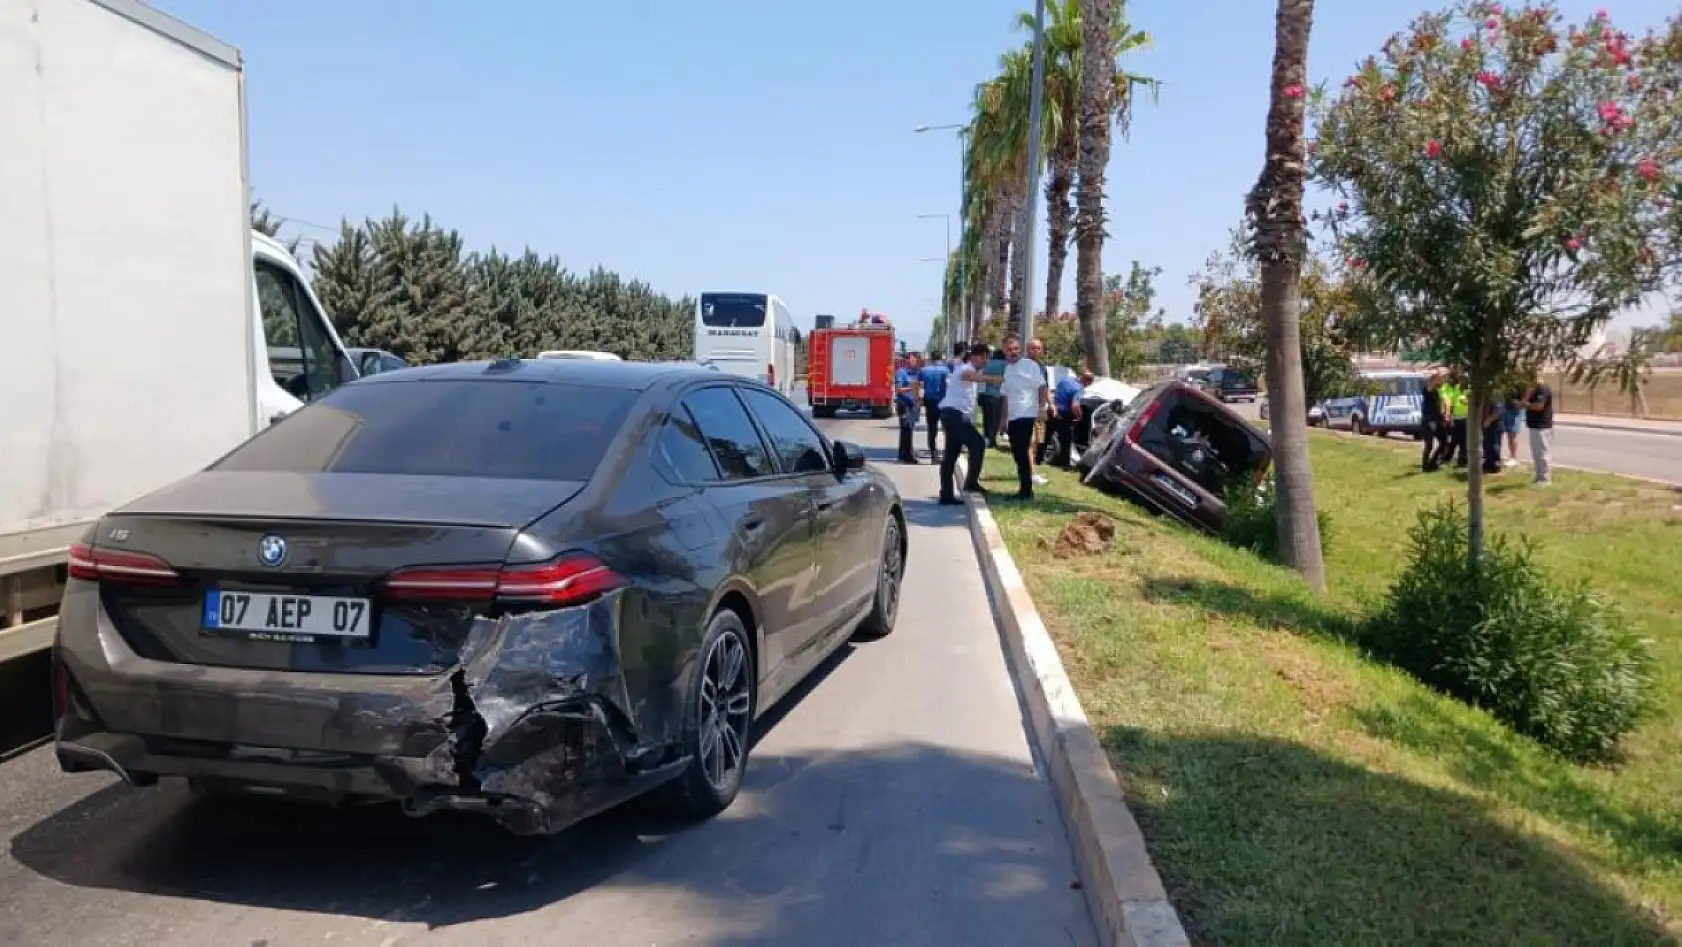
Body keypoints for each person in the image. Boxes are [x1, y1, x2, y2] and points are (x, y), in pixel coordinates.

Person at [938, 343, 1004, 505]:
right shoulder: (965, 369)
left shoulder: (970, 369)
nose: (987, 361)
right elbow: (970, 376)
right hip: (955, 415)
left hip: (952, 415)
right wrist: (993, 379)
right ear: (979, 356)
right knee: (978, 443)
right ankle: (971, 483)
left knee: (951, 455)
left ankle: (946, 494)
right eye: (986, 357)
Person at [999, 335, 1051, 500]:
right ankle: (1024, 488)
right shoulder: (1007, 369)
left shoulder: (1030, 365)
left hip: (1027, 414)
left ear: (1020, 350)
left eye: (1016, 349)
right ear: (1005, 351)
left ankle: (1026, 491)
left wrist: (1042, 407)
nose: (1013, 352)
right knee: (1016, 452)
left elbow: (1042, 386)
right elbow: (1005, 396)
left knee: (1021, 451)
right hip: (1013, 416)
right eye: (1010, 349)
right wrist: (1003, 419)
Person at [1047, 369, 1090, 469]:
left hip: (1053, 410)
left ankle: (1037, 457)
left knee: (1046, 435)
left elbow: (1056, 390)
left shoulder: (1065, 379)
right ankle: (1065, 464)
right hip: (1064, 415)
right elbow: (1075, 405)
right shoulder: (1079, 388)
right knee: (1066, 441)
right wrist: (1079, 416)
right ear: (1087, 381)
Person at [1026, 338, 1052, 486]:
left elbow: (1045, 387)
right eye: (1032, 348)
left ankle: (1032, 469)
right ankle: (1031, 474)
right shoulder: (1024, 366)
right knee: (1030, 441)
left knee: (1037, 442)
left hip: (1039, 408)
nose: (1035, 351)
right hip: (1027, 407)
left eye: (1038, 348)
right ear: (1027, 349)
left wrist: (1050, 404)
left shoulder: (1042, 367)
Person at [1522, 375, 1554, 485]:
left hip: (1542, 426)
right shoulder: (1533, 390)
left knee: (1542, 453)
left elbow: (1539, 406)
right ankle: (1539, 476)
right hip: (1533, 425)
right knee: (1536, 454)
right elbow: (1524, 402)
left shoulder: (1543, 389)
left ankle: (1545, 479)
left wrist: (1527, 405)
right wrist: (1527, 392)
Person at [918, 351, 951, 459]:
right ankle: (947, 451)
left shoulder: (923, 370)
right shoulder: (945, 370)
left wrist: (920, 400)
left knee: (932, 428)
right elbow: (947, 385)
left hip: (929, 401)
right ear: (940, 358)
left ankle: (933, 452)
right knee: (946, 427)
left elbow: (921, 387)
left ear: (931, 358)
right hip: (943, 401)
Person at [895, 353, 921, 464]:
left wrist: (919, 399)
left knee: (909, 429)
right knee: (906, 429)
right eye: (912, 360)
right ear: (907, 361)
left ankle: (903, 454)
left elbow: (920, 388)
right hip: (904, 404)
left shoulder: (917, 373)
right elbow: (898, 389)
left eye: (915, 360)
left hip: (914, 404)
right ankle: (907, 456)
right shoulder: (901, 372)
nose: (914, 362)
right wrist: (911, 387)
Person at [979, 347, 1008, 450]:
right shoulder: (1005, 365)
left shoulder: (987, 363)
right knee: (996, 419)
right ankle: (992, 439)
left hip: (986, 394)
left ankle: (987, 438)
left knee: (987, 419)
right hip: (998, 395)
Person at [1421, 370, 1446, 472]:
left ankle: (1433, 462)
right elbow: (1430, 387)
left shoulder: (1436, 392)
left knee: (1444, 442)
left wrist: (1443, 419)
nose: (1441, 382)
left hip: (1437, 420)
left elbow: (1437, 408)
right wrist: (1435, 378)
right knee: (1429, 445)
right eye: (1439, 380)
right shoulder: (1427, 390)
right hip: (1428, 421)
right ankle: (1426, 465)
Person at [1480, 395, 1505, 475]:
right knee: (1487, 444)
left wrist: (1489, 420)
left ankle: (1495, 464)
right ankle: (1488, 462)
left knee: (1494, 445)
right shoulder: (1486, 395)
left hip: (1495, 425)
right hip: (1487, 425)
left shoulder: (1497, 395)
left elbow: (1498, 411)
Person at [1502, 388, 1525, 467]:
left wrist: (1521, 403)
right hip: (1507, 408)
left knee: (1513, 435)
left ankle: (1513, 458)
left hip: (1515, 410)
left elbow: (1528, 390)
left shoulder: (1521, 380)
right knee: (1509, 435)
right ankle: (1511, 457)